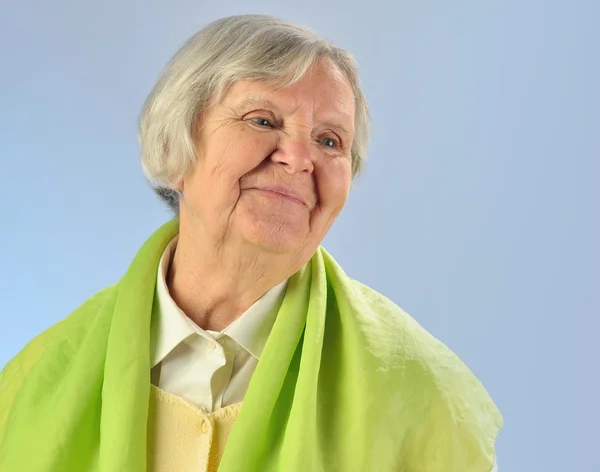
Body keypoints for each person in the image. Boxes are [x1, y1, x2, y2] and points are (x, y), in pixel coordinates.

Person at [0, 14, 502, 472]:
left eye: (330, 141)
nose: (300, 158)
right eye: (263, 120)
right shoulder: (30, 385)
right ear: (178, 149)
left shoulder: (424, 395)